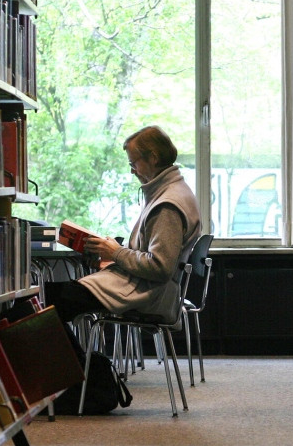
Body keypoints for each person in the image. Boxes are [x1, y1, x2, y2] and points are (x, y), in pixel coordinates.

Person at [47, 126, 201, 323]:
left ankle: (78, 356)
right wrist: (115, 259)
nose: (131, 170)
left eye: (134, 163)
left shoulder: (167, 205)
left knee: (49, 300)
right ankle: (78, 355)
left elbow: (160, 268)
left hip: (146, 292)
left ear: (152, 158)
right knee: (53, 298)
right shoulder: (171, 192)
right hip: (141, 287)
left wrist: (117, 253)